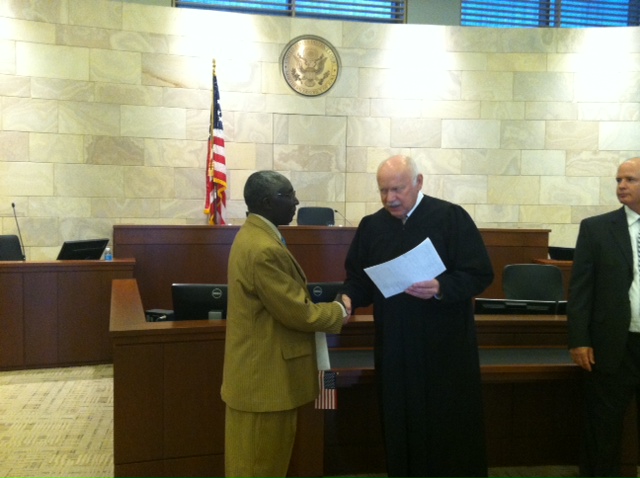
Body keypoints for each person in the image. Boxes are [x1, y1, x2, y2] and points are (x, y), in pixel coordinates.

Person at [342, 155, 494, 478]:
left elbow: (480, 273)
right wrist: (347, 298)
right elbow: (360, 279)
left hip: (444, 351)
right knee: (399, 424)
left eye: (397, 189)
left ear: (419, 182)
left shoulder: (450, 217)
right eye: (383, 190)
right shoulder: (372, 226)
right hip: (395, 350)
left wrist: (441, 286)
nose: (389, 198)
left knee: (447, 430)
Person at [220, 170, 351, 478]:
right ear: (267, 202)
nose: (296, 201)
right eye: (289, 195)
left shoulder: (258, 235)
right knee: (258, 469)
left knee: (264, 466)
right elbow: (297, 312)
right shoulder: (262, 248)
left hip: (264, 382)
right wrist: (339, 311)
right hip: (263, 384)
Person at [568, 156, 640, 478]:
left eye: (630, 180)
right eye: (618, 180)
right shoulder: (596, 229)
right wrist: (579, 339)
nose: (621, 186)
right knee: (603, 430)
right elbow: (581, 291)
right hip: (613, 345)